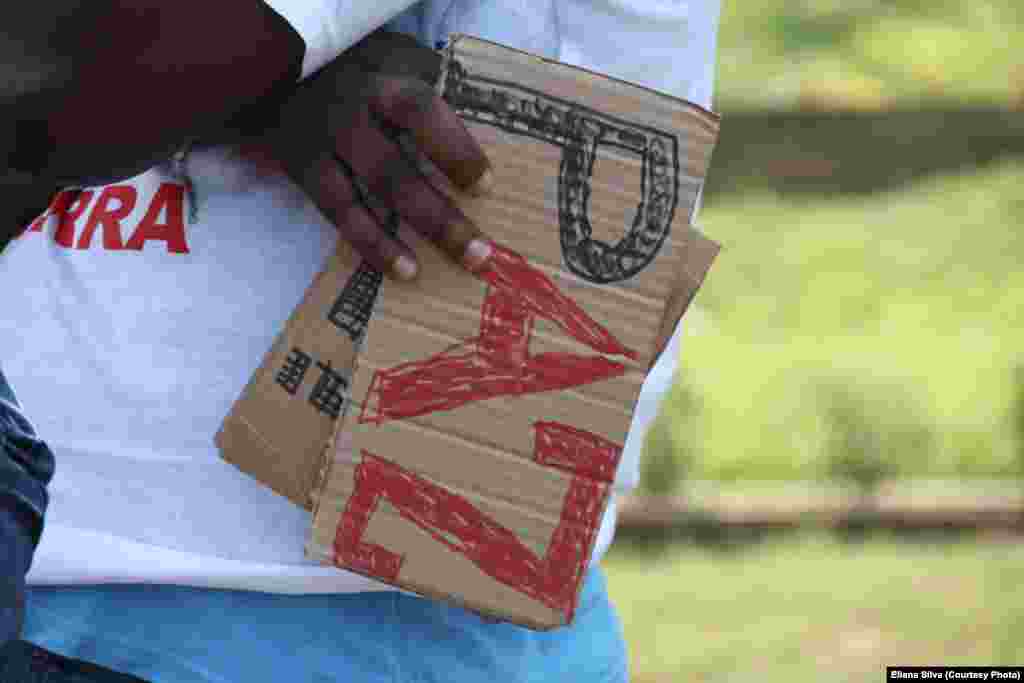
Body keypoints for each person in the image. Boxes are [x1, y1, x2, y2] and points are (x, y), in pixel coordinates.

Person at [0, 1, 721, 680]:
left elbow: (92, 63)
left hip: (314, 598)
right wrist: (278, 83)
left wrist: (255, 78)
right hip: (116, 552)